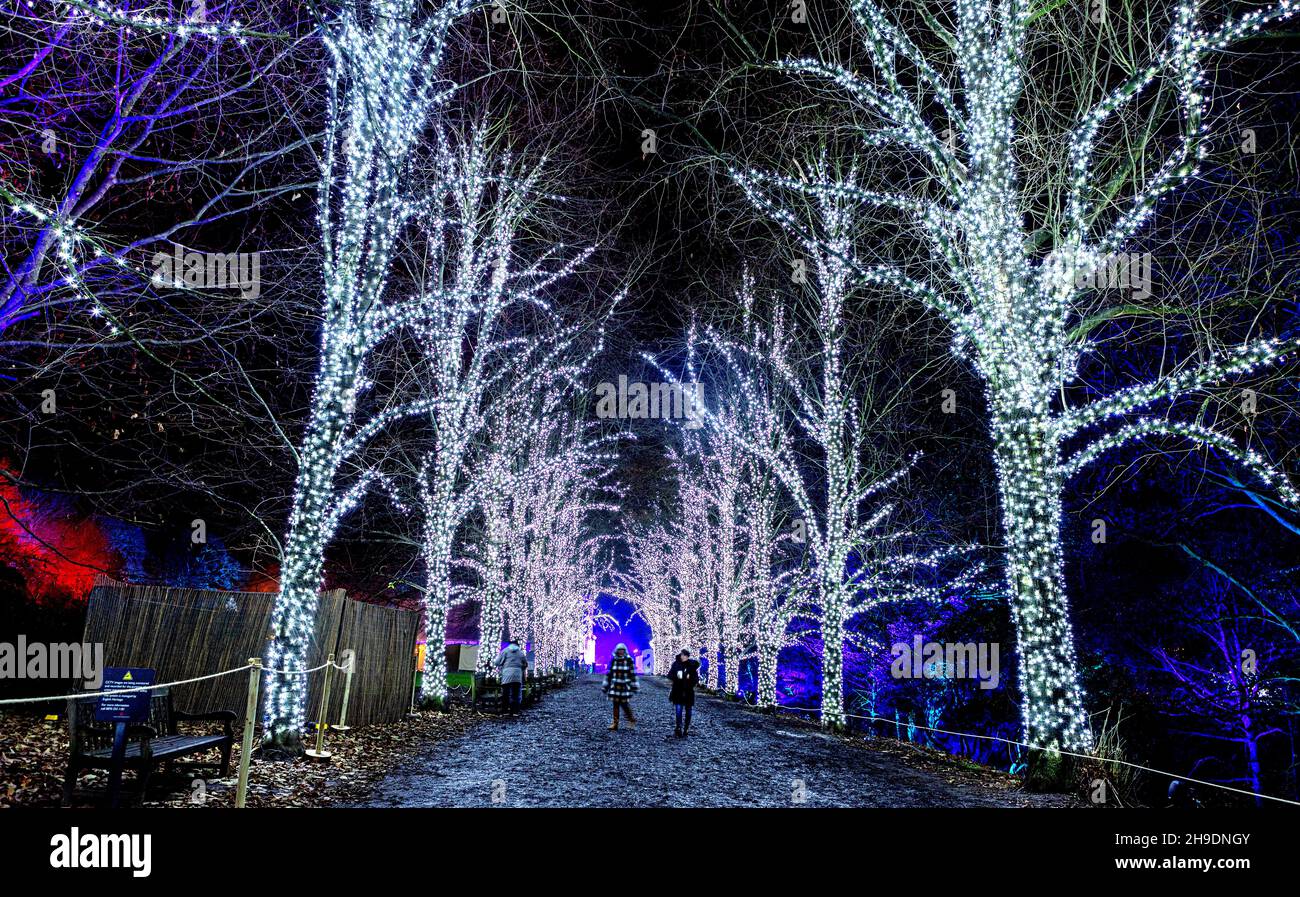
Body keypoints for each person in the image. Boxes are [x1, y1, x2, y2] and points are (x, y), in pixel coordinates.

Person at [603, 643, 639, 730]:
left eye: (622, 650)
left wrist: (634, 685)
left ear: (625, 650)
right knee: (615, 705)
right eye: (619, 650)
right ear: (617, 650)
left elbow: (632, 673)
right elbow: (609, 673)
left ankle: (631, 719)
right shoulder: (614, 660)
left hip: (624, 686)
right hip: (615, 686)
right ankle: (615, 723)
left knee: (624, 704)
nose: (621, 651)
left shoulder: (629, 660)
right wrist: (605, 685)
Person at [667, 649, 700, 737]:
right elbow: (670, 675)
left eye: (684, 655)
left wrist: (690, 679)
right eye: (682, 655)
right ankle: (678, 727)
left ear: (687, 656)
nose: (682, 656)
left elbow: (696, 679)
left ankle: (686, 728)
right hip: (678, 690)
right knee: (678, 710)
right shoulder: (676, 664)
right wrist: (676, 677)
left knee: (688, 710)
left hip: (688, 691)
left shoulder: (692, 666)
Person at [494, 638, 527, 715]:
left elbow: (497, 662)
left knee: (506, 693)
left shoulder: (505, 651)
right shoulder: (521, 653)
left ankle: (505, 710)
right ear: (517, 644)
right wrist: (520, 669)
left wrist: (502, 666)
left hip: (506, 674)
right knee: (515, 694)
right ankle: (515, 711)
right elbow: (525, 664)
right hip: (517, 675)